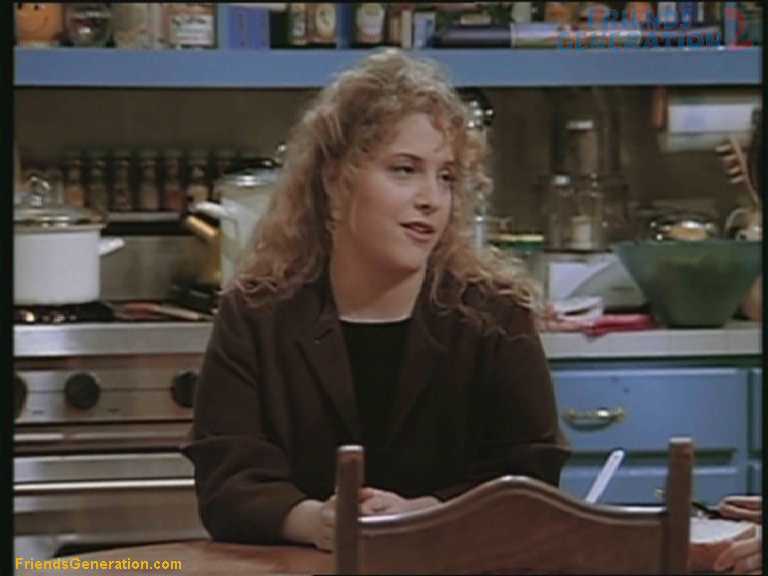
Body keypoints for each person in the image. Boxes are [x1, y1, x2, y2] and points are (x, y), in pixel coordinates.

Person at [182, 48, 570, 551]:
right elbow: (226, 481)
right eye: (405, 170)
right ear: (335, 180)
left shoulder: (494, 315)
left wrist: (429, 513)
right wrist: (314, 521)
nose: (431, 198)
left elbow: (531, 478)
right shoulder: (257, 314)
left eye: (446, 177)